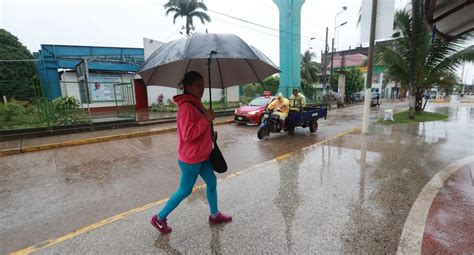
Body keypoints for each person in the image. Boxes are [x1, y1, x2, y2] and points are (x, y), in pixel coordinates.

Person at [150, 71, 232, 235]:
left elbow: (200, 128)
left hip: (202, 156)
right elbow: (188, 135)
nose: (202, 88)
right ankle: (159, 218)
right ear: (187, 87)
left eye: (203, 84)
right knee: (185, 190)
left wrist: (209, 130)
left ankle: (214, 215)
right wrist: (205, 120)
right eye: (197, 85)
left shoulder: (197, 103)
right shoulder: (186, 107)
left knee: (212, 182)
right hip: (191, 159)